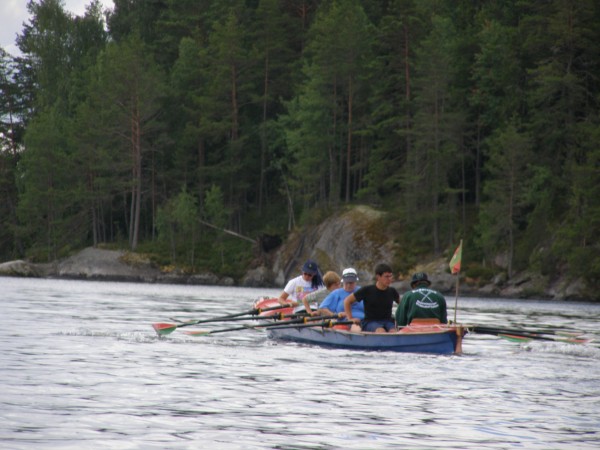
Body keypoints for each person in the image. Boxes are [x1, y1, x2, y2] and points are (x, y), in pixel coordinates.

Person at [344, 263, 399, 333]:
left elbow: (402, 304)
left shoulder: (392, 291)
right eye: (386, 277)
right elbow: (347, 301)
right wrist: (350, 318)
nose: (389, 279)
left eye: (390, 276)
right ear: (378, 277)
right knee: (381, 331)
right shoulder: (367, 290)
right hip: (370, 322)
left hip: (387, 321)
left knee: (393, 331)